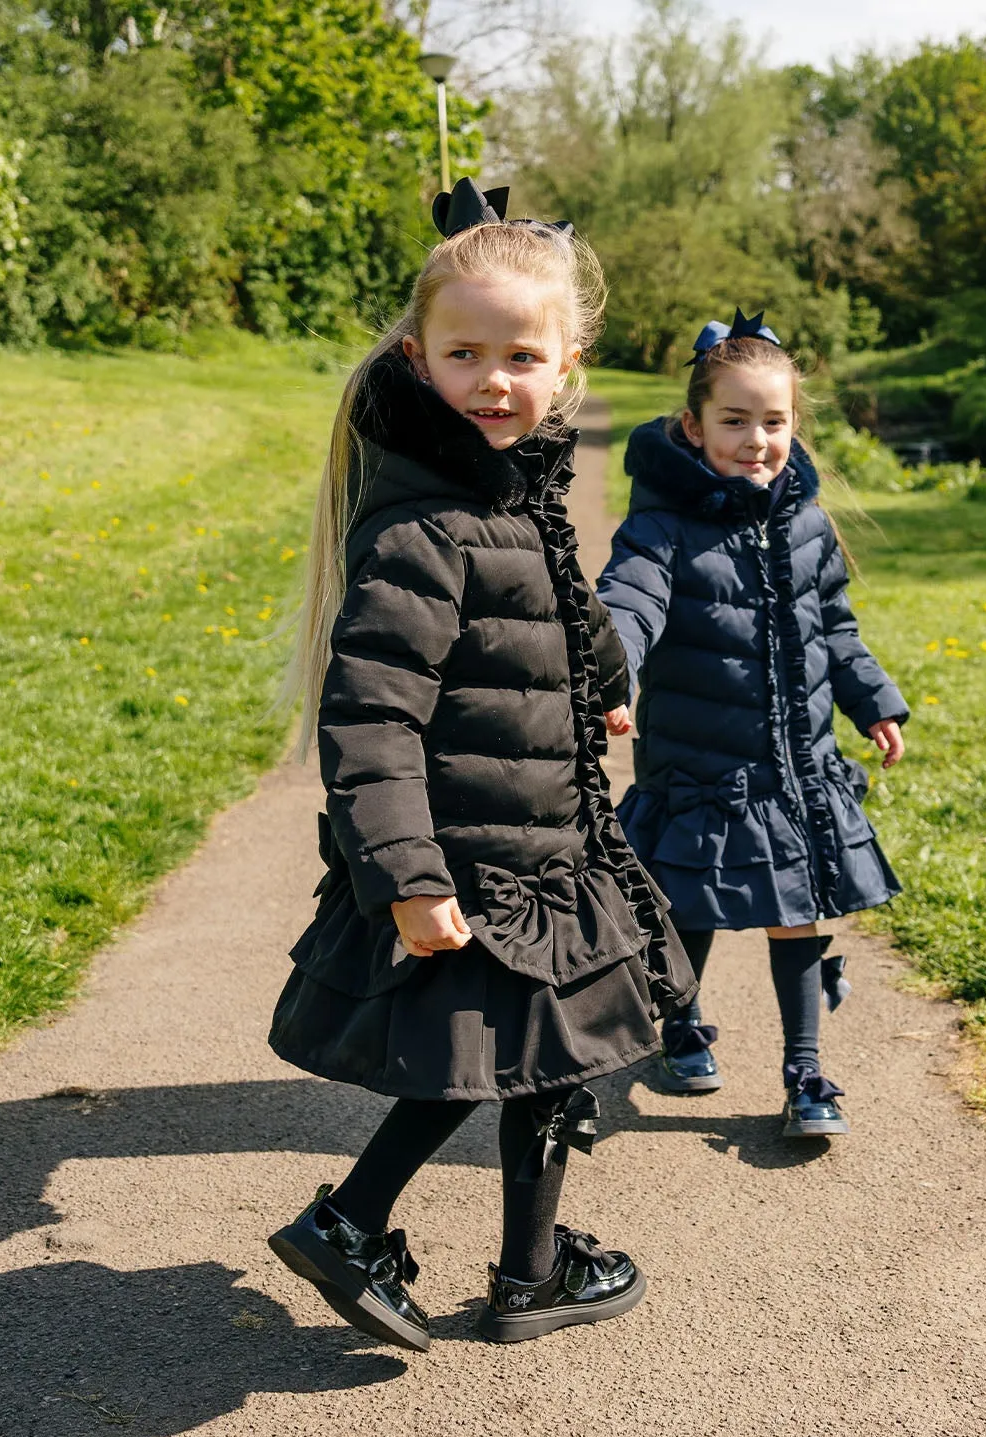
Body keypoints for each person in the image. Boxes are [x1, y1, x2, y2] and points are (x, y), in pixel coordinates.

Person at [266, 178, 695, 1352]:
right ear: (418, 358)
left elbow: (550, 615)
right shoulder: (424, 528)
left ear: (569, 366)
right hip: (479, 860)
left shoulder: (510, 496)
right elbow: (370, 722)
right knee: (533, 1060)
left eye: (520, 356)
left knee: (532, 1062)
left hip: (537, 841)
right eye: (465, 355)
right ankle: (417, 1239)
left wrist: (600, 688)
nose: (494, 381)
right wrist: (407, 873)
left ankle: (501, 1260)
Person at [596, 309, 908, 1139]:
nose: (756, 439)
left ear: (794, 426)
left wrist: (873, 699)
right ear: (694, 427)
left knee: (795, 909)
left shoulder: (805, 522)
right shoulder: (662, 524)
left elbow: (835, 628)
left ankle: (805, 1071)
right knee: (690, 903)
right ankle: (682, 1022)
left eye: (774, 422)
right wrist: (609, 670)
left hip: (795, 766)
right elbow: (629, 602)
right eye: (734, 421)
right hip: (700, 765)